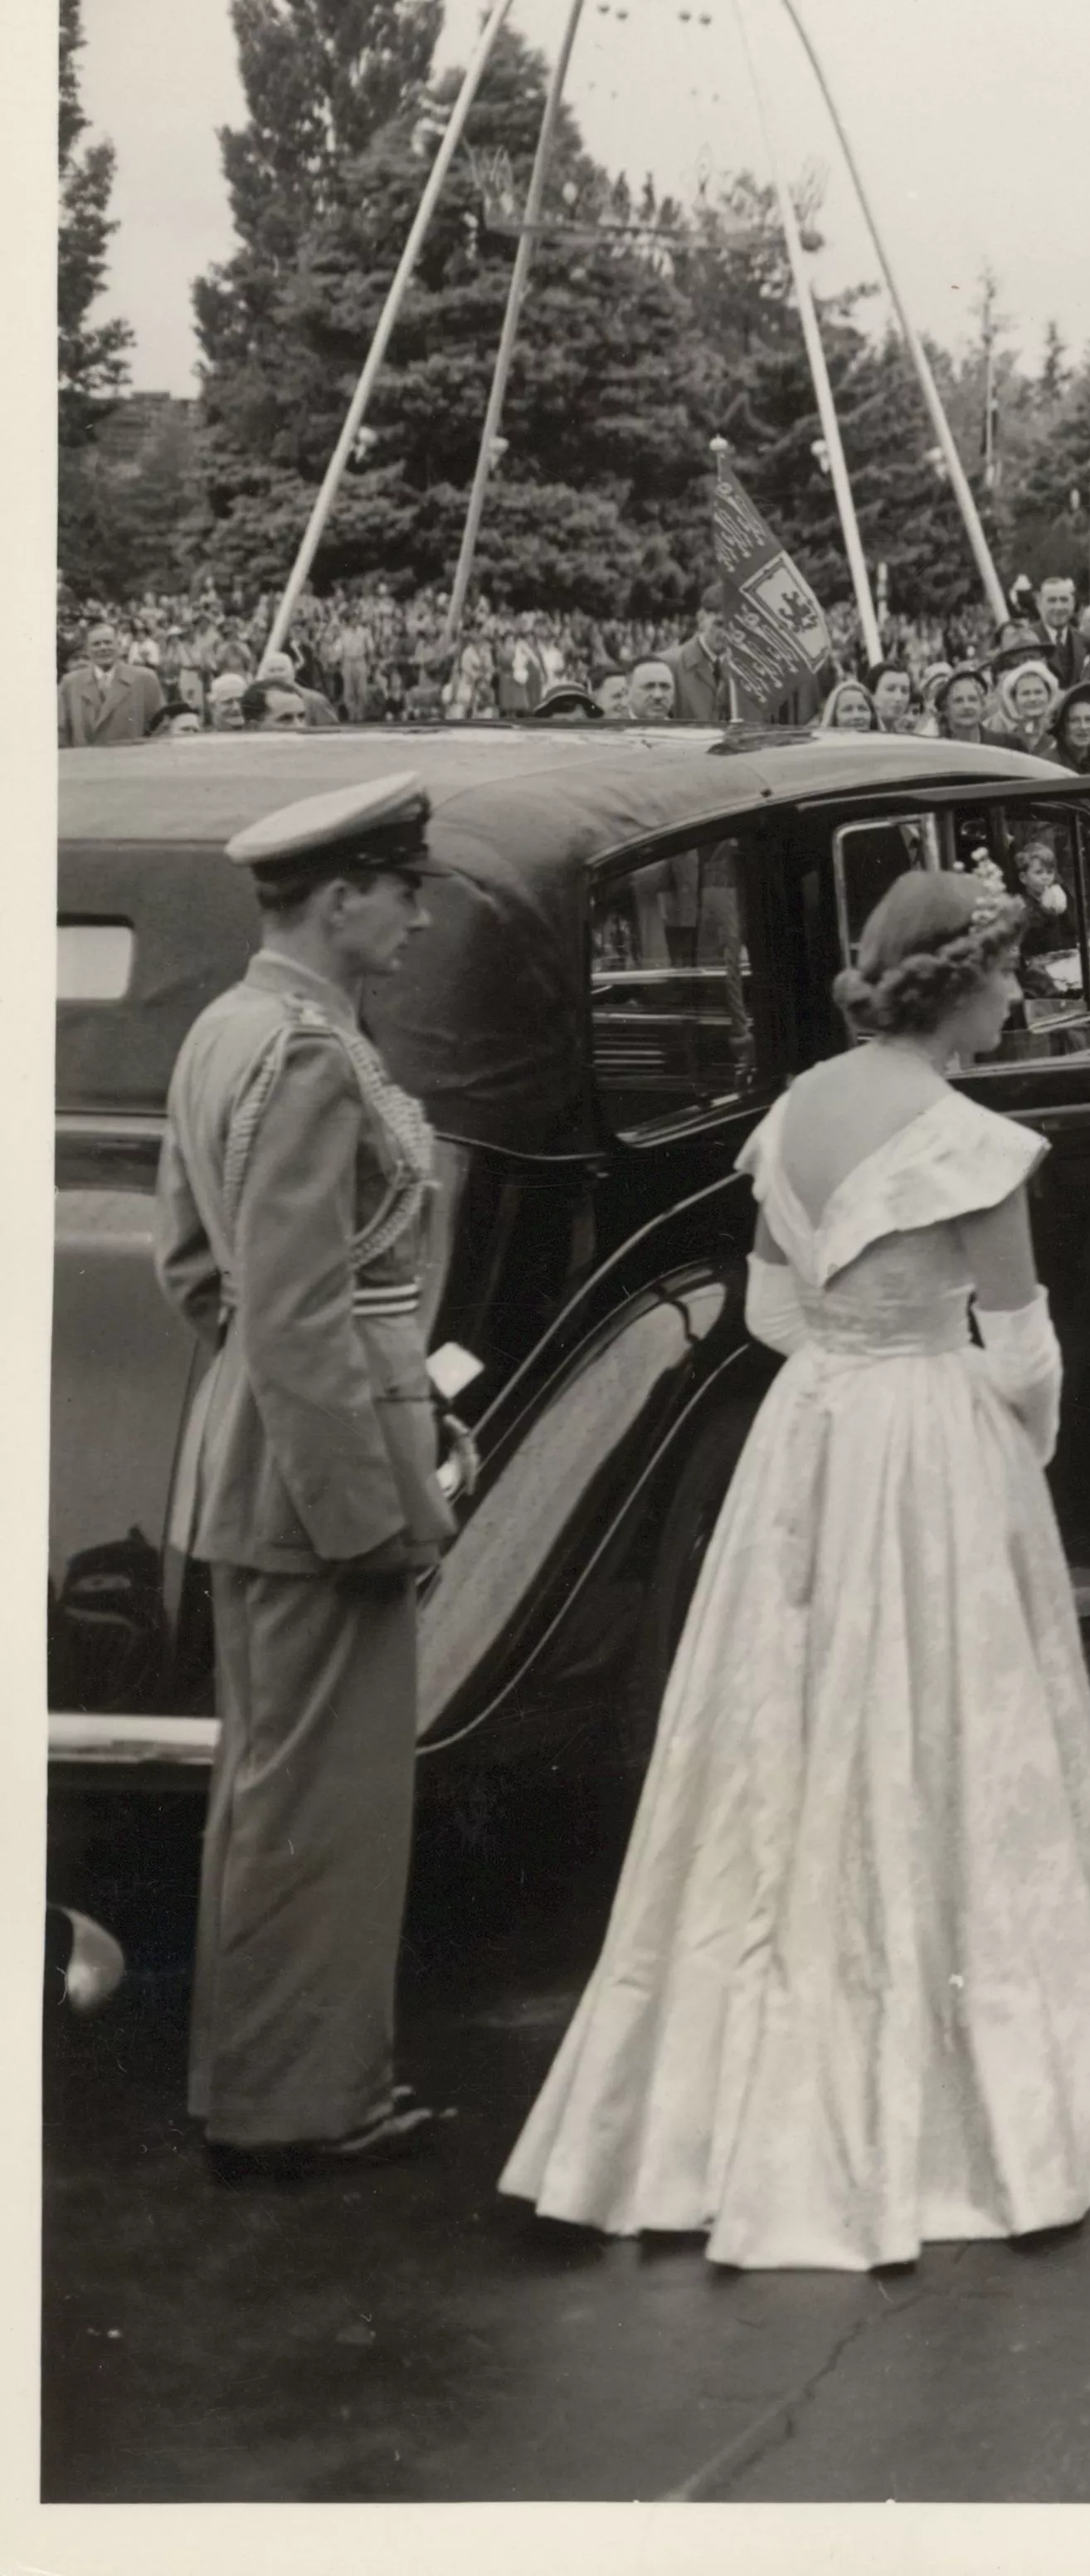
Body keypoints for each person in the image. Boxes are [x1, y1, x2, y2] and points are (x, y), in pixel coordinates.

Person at [503, 871, 1090, 2267]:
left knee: (785, 1726)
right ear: (960, 981)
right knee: (946, 1724)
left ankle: (742, 2071)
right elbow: (1028, 1349)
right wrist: (1008, 1452)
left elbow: (765, 1306)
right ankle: (960, 2103)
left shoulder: (797, 1109)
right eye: (1007, 977)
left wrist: (846, 1352)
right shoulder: (967, 1142)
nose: (1016, 1000)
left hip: (808, 1437)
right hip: (927, 1437)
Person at [152, 778, 465, 2178]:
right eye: (404, 887)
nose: (418, 913)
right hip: (319, 1467)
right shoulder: (312, 1053)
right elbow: (292, 1308)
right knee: (322, 1803)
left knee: (273, 1789)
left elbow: (199, 1274)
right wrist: (365, 1497)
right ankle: (303, 2102)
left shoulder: (229, 1027)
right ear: (340, 895)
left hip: (261, 1447)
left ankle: (261, 2084)